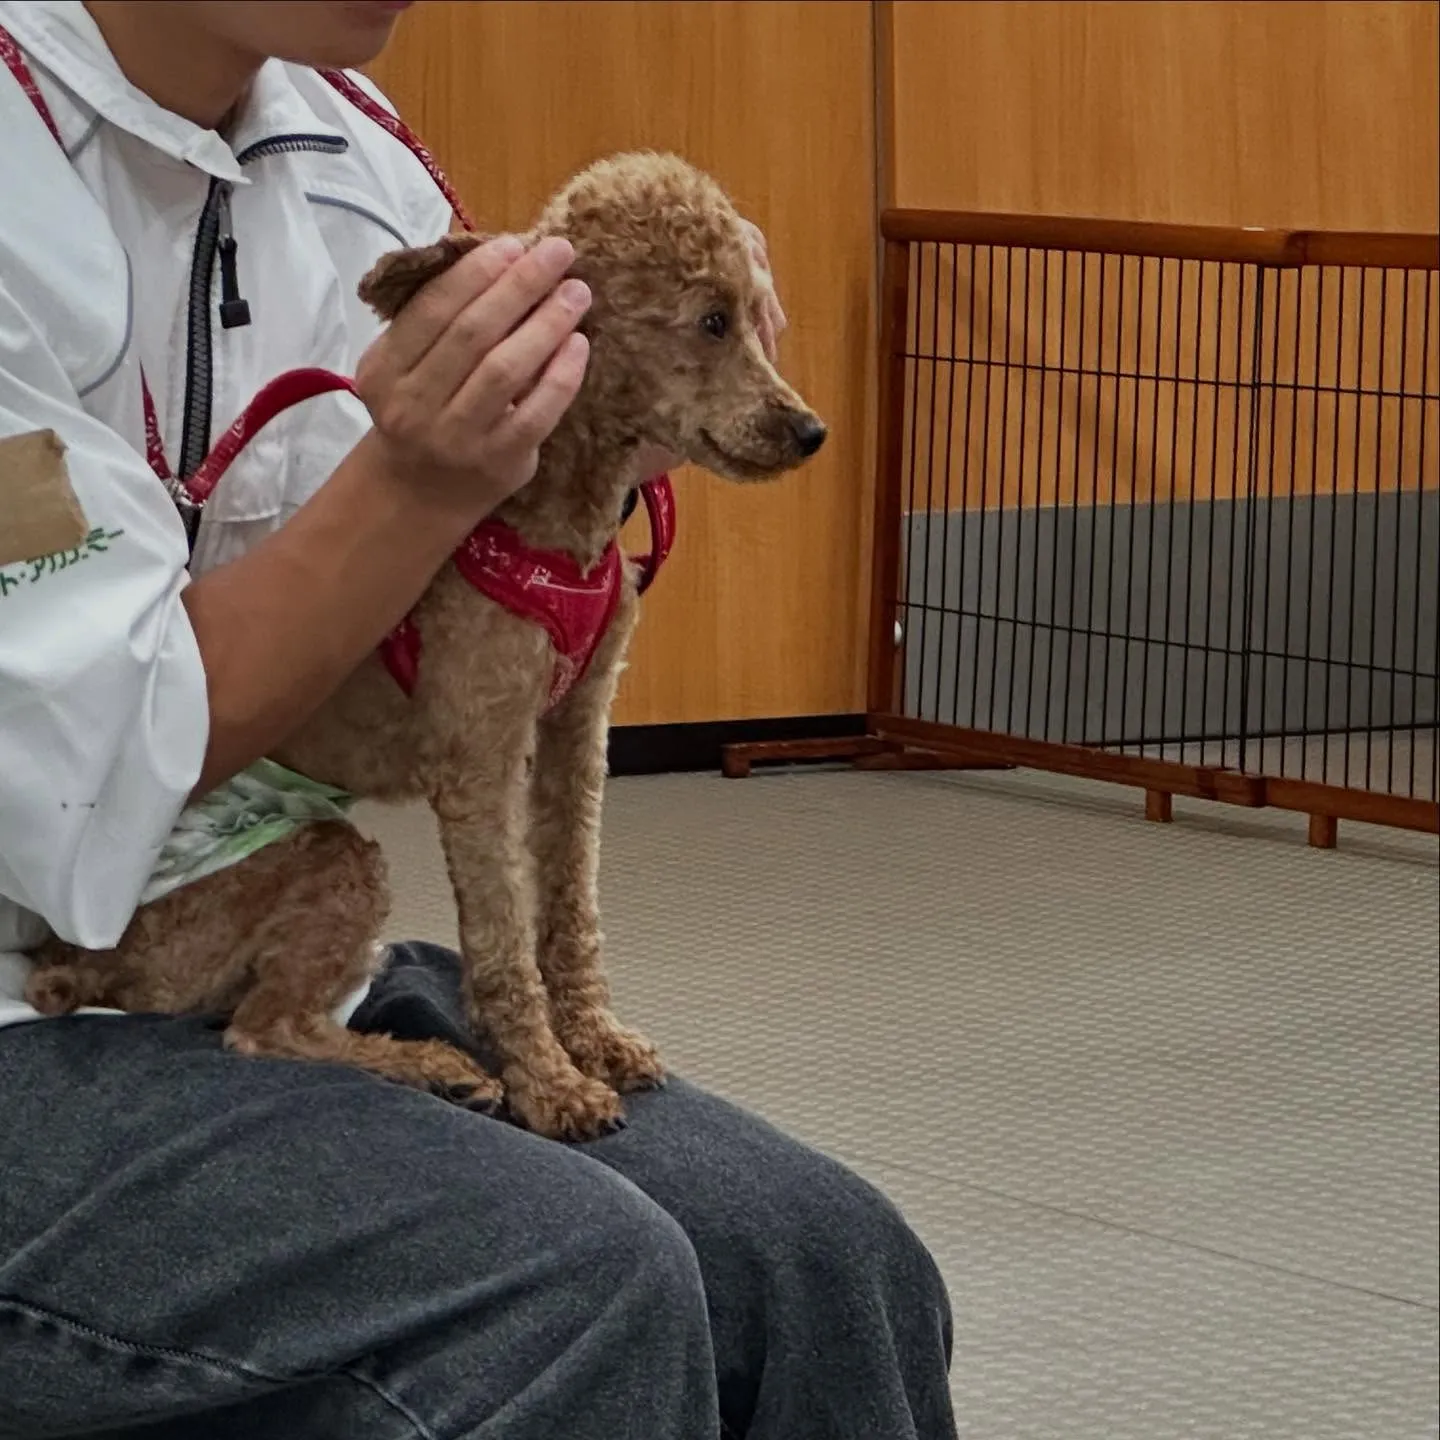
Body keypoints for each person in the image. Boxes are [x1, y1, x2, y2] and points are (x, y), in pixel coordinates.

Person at [0, 3, 958, 1436]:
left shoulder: (354, 150)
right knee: (580, 1290)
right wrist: (415, 483)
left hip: (254, 931)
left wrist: (623, 396)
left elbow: (519, 540)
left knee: (820, 1261)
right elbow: (89, 758)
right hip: (25, 992)